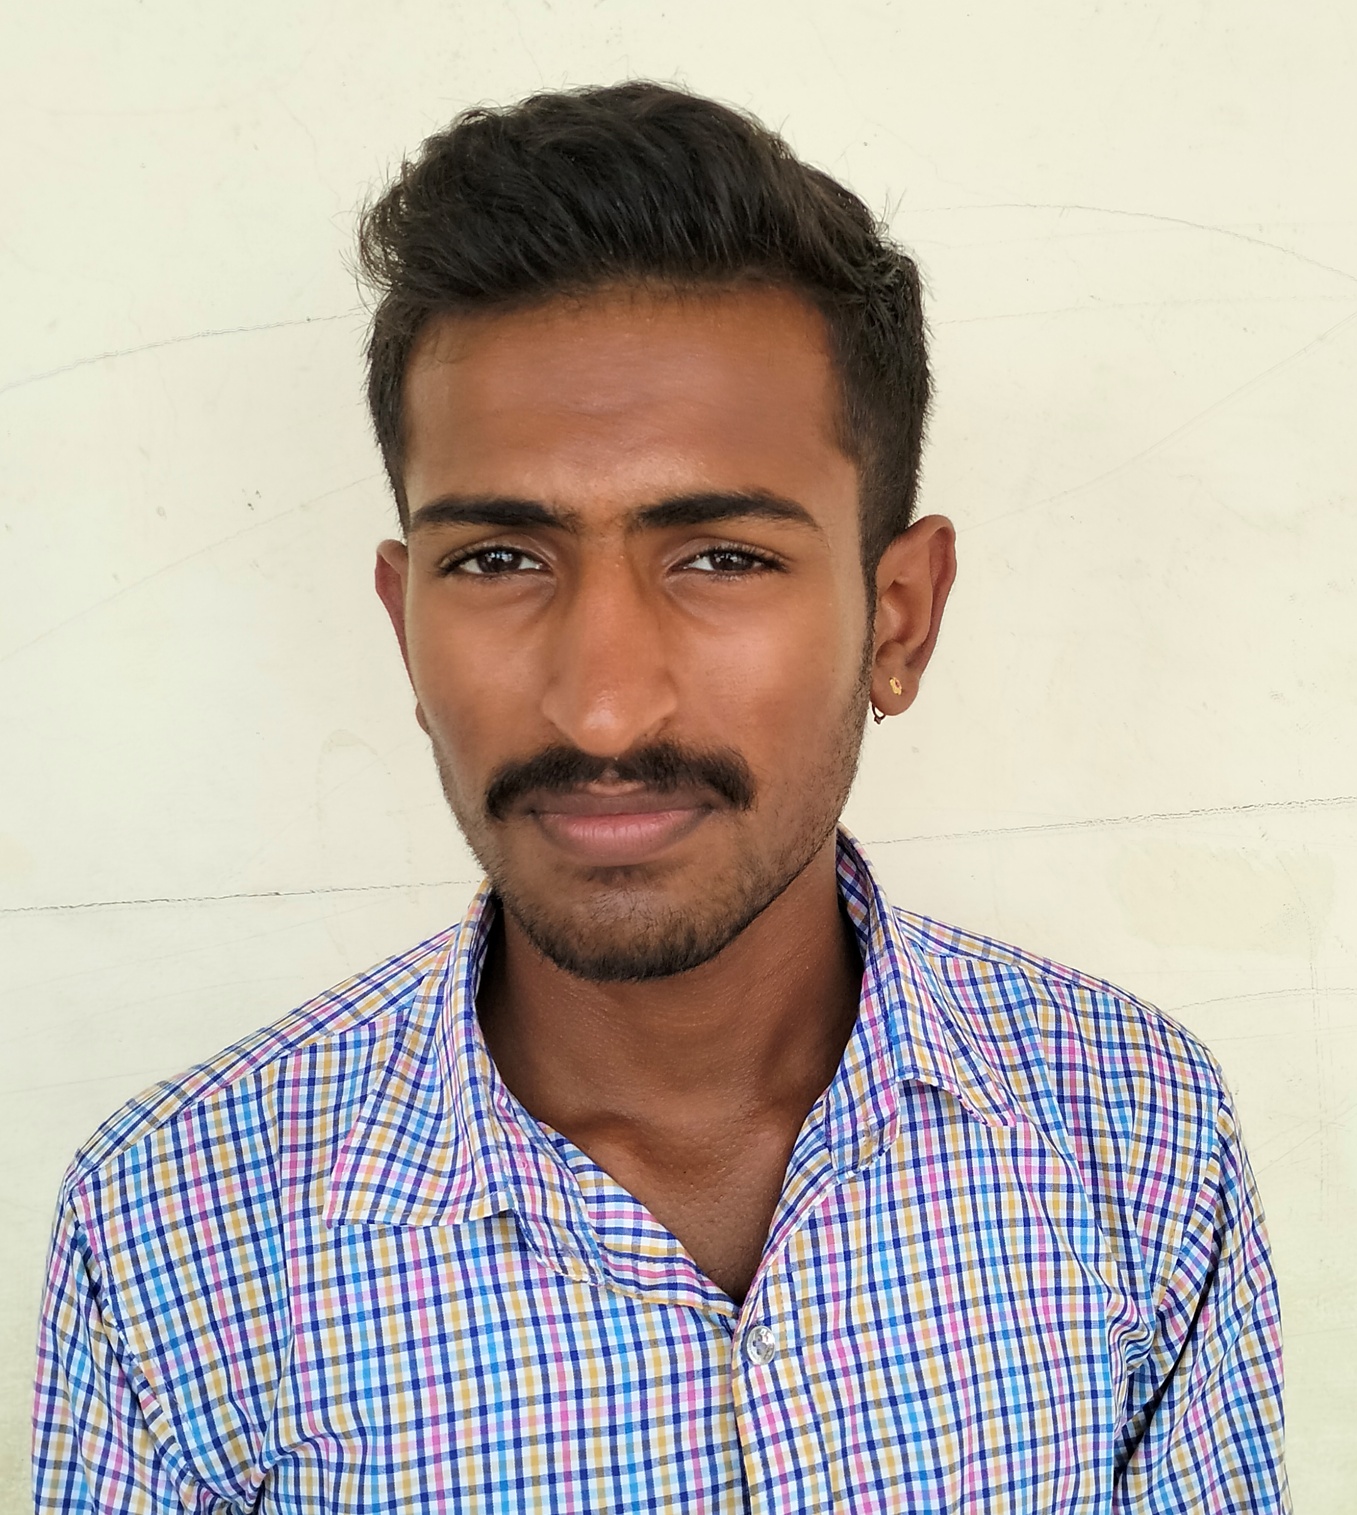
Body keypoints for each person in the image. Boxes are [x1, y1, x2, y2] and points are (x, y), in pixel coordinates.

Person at [33, 82, 1287, 1513]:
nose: (604, 708)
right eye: (498, 560)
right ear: (404, 626)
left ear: (897, 619)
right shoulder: (171, 1231)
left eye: (722, 558)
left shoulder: (1135, 1135)